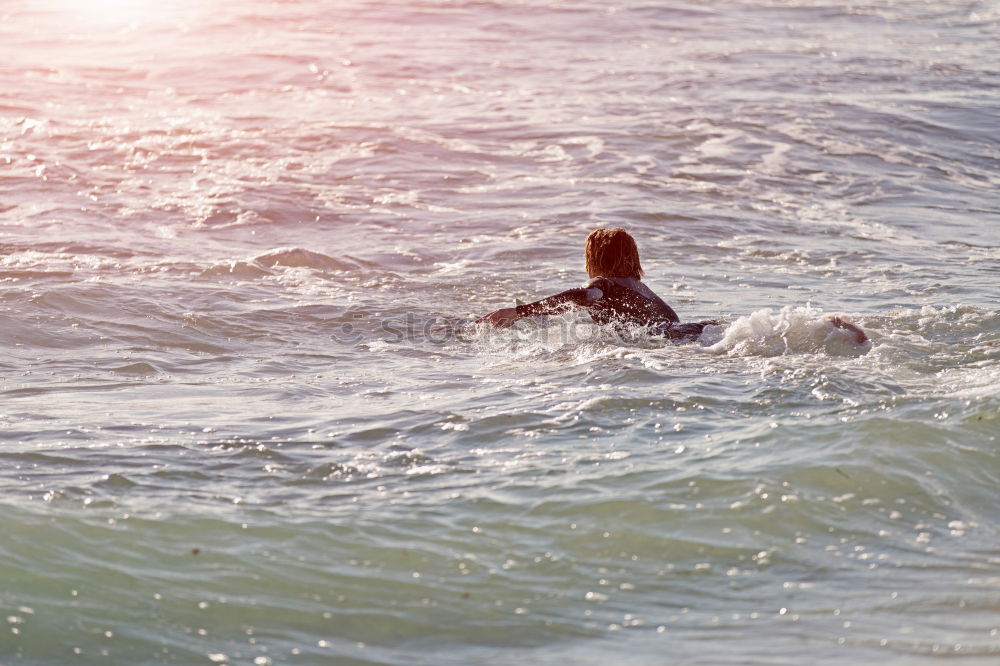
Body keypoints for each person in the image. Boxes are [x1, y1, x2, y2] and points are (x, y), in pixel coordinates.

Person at [477, 227, 868, 344]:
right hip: (687, 327)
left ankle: (820, 329)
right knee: (758, 337)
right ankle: (821, 324)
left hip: (674, 340)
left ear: (594, 258)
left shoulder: (605, 285)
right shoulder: (637, 287)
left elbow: (584, 296)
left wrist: (520, 311)